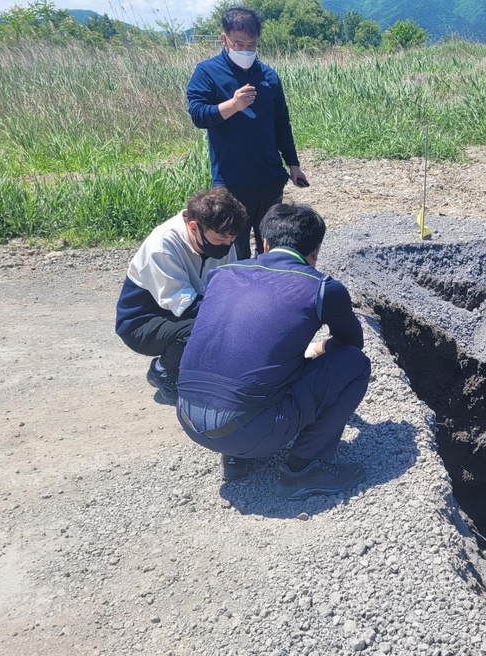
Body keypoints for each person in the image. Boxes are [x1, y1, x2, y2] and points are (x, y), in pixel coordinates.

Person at [176, 202, 370, 494]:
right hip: (248, 431)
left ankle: (236, 460)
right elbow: (352, 345)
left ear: (264, 243)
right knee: (356, 364)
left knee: (245, 360)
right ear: (315, 250)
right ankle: (302, 470)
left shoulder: (223, 274)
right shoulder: (321, 287)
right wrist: (319, 350)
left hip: (189, 418)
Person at [186, 6, 309, 260]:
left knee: (271, 245)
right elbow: (198, 115)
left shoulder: (268, 75)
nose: (245, 50)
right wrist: (233, 105)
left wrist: (293, 164)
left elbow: (281, 123)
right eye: (238, 43)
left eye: (251, 45)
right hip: (232, 182)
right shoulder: (207, 72)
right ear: (224, 39)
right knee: (235, 248)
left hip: (269, 178)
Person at [115, 187, 247, 405]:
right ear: (194, 227)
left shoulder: (222, 239)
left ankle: (197, 372)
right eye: (222, 238)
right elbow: (186, 305)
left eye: (232, 239)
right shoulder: (163, 245)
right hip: (141, 323)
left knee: (230, 319)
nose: (228, 245)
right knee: (205, 326)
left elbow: (229, 286)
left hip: (181, 312)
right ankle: (162, 371)